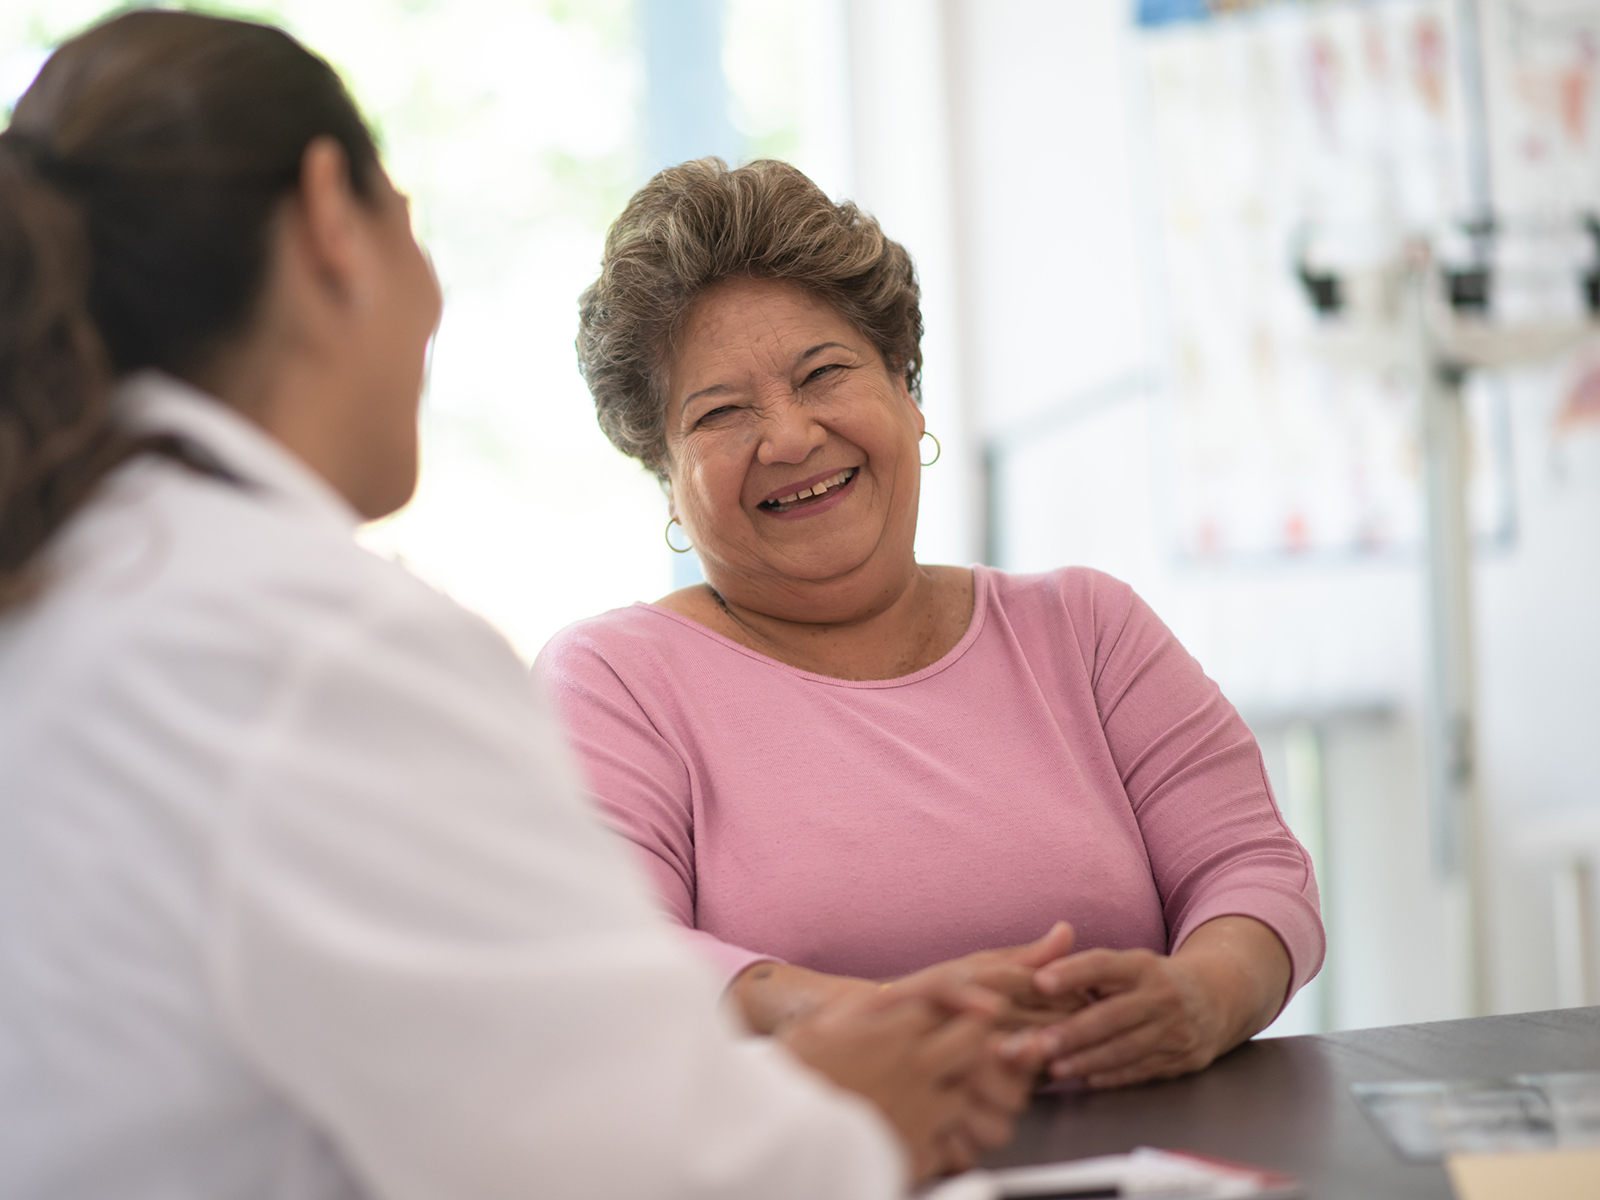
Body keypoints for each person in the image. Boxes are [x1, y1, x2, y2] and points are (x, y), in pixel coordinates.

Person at [0, 14, 1044, 1199]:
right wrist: (852, 1116)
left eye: (823, 375)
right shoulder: (312, 647)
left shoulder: (72, 588)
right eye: (411, 220)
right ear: (332, 217)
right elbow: (611, 1160)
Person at [541, 157, 1326, 1091]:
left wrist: (1203, 997)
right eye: (721, 413)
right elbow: (611, 954)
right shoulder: (614, 678)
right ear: (665, 474)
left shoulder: (1086, 628)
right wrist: (850, 1021)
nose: (788, 437)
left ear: (907, 393)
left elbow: (1253, 869)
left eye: (823, 373)